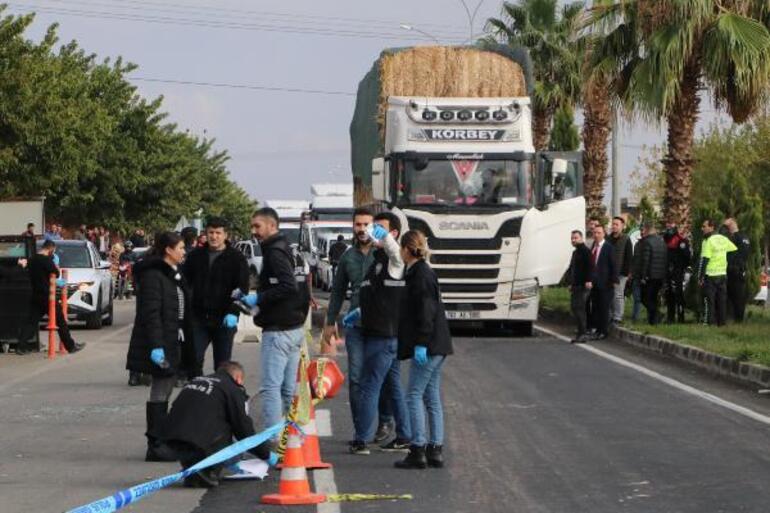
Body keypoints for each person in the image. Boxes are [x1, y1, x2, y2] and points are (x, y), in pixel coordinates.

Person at [322, 208, 399, 446]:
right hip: (356, 327)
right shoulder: (347, 257)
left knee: (383, 377)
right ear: (353, 227)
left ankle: (385, 421)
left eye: (366, 224)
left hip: (383, 326)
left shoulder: (384, 254)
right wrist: (329, 321)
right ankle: (361, 430)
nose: (362, 229)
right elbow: (336, 292)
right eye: (358, 225)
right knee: (356, 378)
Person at [348, 212, 411, 455]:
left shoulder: (394, 262)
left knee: (368, 386)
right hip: (379, 332)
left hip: (383, 337)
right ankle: (405, 435)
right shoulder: (376, 262)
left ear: (392, 234)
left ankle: (361, 440)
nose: (370, 231)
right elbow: (378, 296)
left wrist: (387, 240)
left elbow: (396, 253)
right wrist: (359, 313)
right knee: (393, 386)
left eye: (379, 228)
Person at [125, 231, 191, 461]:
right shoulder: (154, 276)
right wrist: (156, 345)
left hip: (174, 336)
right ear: (168, 250)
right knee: (160, 388)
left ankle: (161, 438)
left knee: (168, 385)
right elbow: (150, 313)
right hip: (160, 340)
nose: (184, 252)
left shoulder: (173, 273)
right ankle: (155, 443)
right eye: (181, 248)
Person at [245, 207, 308, 440]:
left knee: (272, 388)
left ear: (272, 226)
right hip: (294, 327)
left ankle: (272, 441)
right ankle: (288, 440)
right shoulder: (290, 250)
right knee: (286, 389)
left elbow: (288, 286)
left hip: (280, 330)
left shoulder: (275, 253)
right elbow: (302, 288)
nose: (254, 232)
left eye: (257, 226)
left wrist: (259, 298)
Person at [163, 361, 276, 488]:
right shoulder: (231, 388)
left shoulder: (197, 380)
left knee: (206, 420)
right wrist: (266, 454)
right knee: (225, 426)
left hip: (170, 438)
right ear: (238, 378)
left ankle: (193, 467)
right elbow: (244, 430)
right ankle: (208, 470)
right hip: (199, 438)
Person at [394, 230, 452, 469]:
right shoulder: (422, 272)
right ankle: (435, 449)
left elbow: (426, 311)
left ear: (407, 249)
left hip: (428, 345)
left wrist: (420, 343)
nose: (399, 251)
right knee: (431, 396)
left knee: (414, 394)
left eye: (401, 247)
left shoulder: (420, 275)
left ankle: (417, 448)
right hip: (438, 344)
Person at [183, 217, 249, 378]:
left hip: (224, 319)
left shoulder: (236, 258)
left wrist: (233, 312)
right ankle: (197, 390)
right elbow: (185, 283)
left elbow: (241, 288)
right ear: (205, 233)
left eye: (218, 233)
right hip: (198, 318)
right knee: (194, 359)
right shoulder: (195, 256)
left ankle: (219, 397)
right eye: (211, 232)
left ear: (225, 235)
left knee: (222, 364)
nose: (214, 236)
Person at [16, 239, 85, 355]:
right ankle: (71, 346)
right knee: (61, 320)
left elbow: (26, 267)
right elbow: (56, 273)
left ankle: (21, 346)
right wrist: (55, 264)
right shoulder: (47, 260)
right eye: (53, 250)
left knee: (31, 322)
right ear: (51, 249)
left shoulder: (32, 259)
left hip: (36, 296)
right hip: (48, 297)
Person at [699, 219, 737, 326]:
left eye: (704, 226)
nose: (702, 228)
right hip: (722, 274)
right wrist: (727, 262)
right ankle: (722, 323)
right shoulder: (723, 238)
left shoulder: (708, 241)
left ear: (711, 227)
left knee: (709, 301)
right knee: (721, 300)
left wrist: (701, 277)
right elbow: (734, 250)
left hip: (710, 275)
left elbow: (705, 260)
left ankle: (709, 322)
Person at [587, 224, 617, 340]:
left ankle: (603, 331)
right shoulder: (593, 247)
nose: (596, 235)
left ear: (604, 234)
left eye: (599, 233)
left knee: (604, 308)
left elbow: (613, 265)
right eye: (594, 233)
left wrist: (613, 280)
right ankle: (597, 330)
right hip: (595, 283)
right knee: (596, 308)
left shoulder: (608, 247)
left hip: (606, 283)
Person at [635, 222, 667, 325]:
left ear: (647, 230)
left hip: (650, 276)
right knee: (653, 298)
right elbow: (665, 259)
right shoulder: (661, 241)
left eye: (642, 230)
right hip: (660, 276)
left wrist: (643, 276)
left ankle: (657, 314)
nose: (641, 232)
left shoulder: (647, 242)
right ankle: (653, 321)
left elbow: (645, 261)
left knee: (645, 298)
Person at [663, 222, 691, 323]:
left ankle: (681, 317)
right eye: (667, 227)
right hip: (668, 271)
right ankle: (670, 318)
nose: (668, 229)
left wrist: (681, 268)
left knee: (678, 295)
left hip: (678, 271)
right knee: (669, 294)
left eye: (670, 227)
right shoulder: (665, 240)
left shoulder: (681, 241)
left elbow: (687, 257)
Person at [724, 218, 750, 323]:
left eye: (726, 226)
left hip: (734, 270)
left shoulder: (736, 237)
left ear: (731, 225)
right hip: (736, 270)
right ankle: (735, 319)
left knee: (735, 297)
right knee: (735, 297)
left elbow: (736, 255)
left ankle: (737, 320)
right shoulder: (744, 237)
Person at [568, 230, 592, 343]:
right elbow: (572, 269)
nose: (573, 240)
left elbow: (590, 267)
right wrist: (570, 283)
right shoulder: (575, 252)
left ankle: (583, 333)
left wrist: (588, 280)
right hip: (575, 285)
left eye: (576, 238)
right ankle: (580, 332)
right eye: (572, 238)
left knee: (579, 308)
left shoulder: (586, 251)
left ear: (581, 238)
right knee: (575, 308)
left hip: (583, 285)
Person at [608, 217, 633, 324]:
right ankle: (610, 315)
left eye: (616, 224)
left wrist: (626, 272)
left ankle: (618, 316)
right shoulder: (608, 238)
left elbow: (629, 257)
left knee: (618, 294)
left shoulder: (626, 239)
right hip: (608, 272)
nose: (614, 226)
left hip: (621, 273)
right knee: (609, 294)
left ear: (622, 226)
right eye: (613, 224)